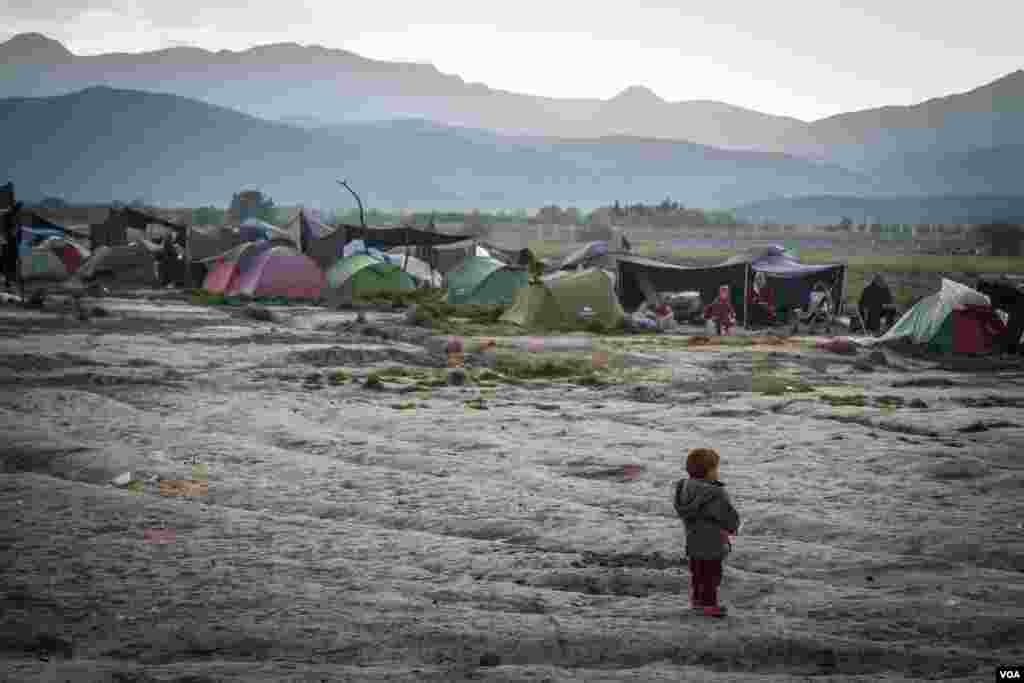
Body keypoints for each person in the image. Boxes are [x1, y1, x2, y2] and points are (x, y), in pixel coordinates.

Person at [673, 448, 740, 618]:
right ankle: (709, 605)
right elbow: (726, 515)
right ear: (709, 472)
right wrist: (734, 527)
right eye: (716, 468)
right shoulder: (714, 494)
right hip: (712, 543)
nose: (717, 472)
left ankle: (697, 601)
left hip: (693, 540)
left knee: (697, 574)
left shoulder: (685, 488)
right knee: (712, 576)